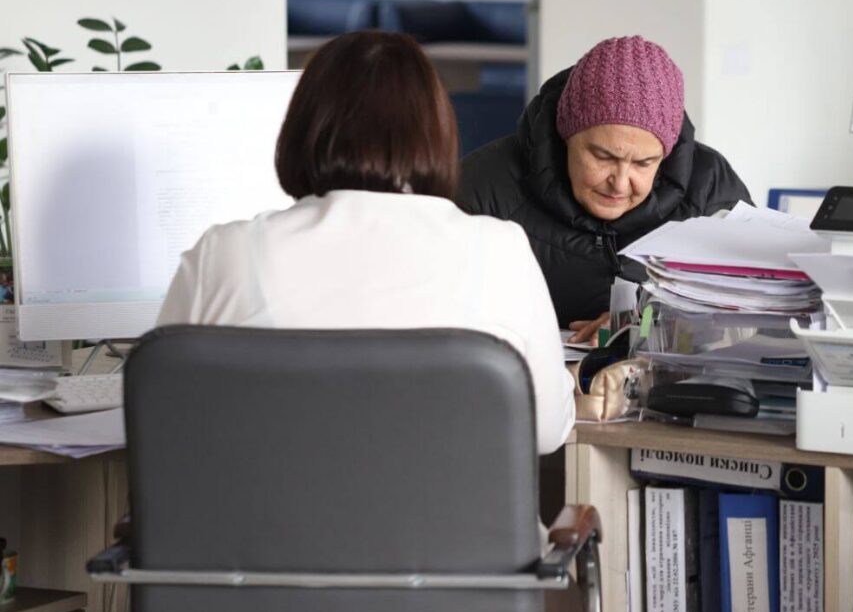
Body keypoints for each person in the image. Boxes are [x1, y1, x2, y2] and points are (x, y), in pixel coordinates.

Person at [157, 30, 575, 455]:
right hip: (446, 500)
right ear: (438, 132)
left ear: (302, 130)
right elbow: (545, 431)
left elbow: (161, 419)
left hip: (262, 499)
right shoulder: (501, 251)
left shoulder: (225, 254)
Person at [458, 35, 752, 342]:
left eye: (644, 163)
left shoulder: (709, 188)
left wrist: (652, 321)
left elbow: (755, 312)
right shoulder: (482, 188)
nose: (620, 182)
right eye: (603, 156)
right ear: (565, 135)